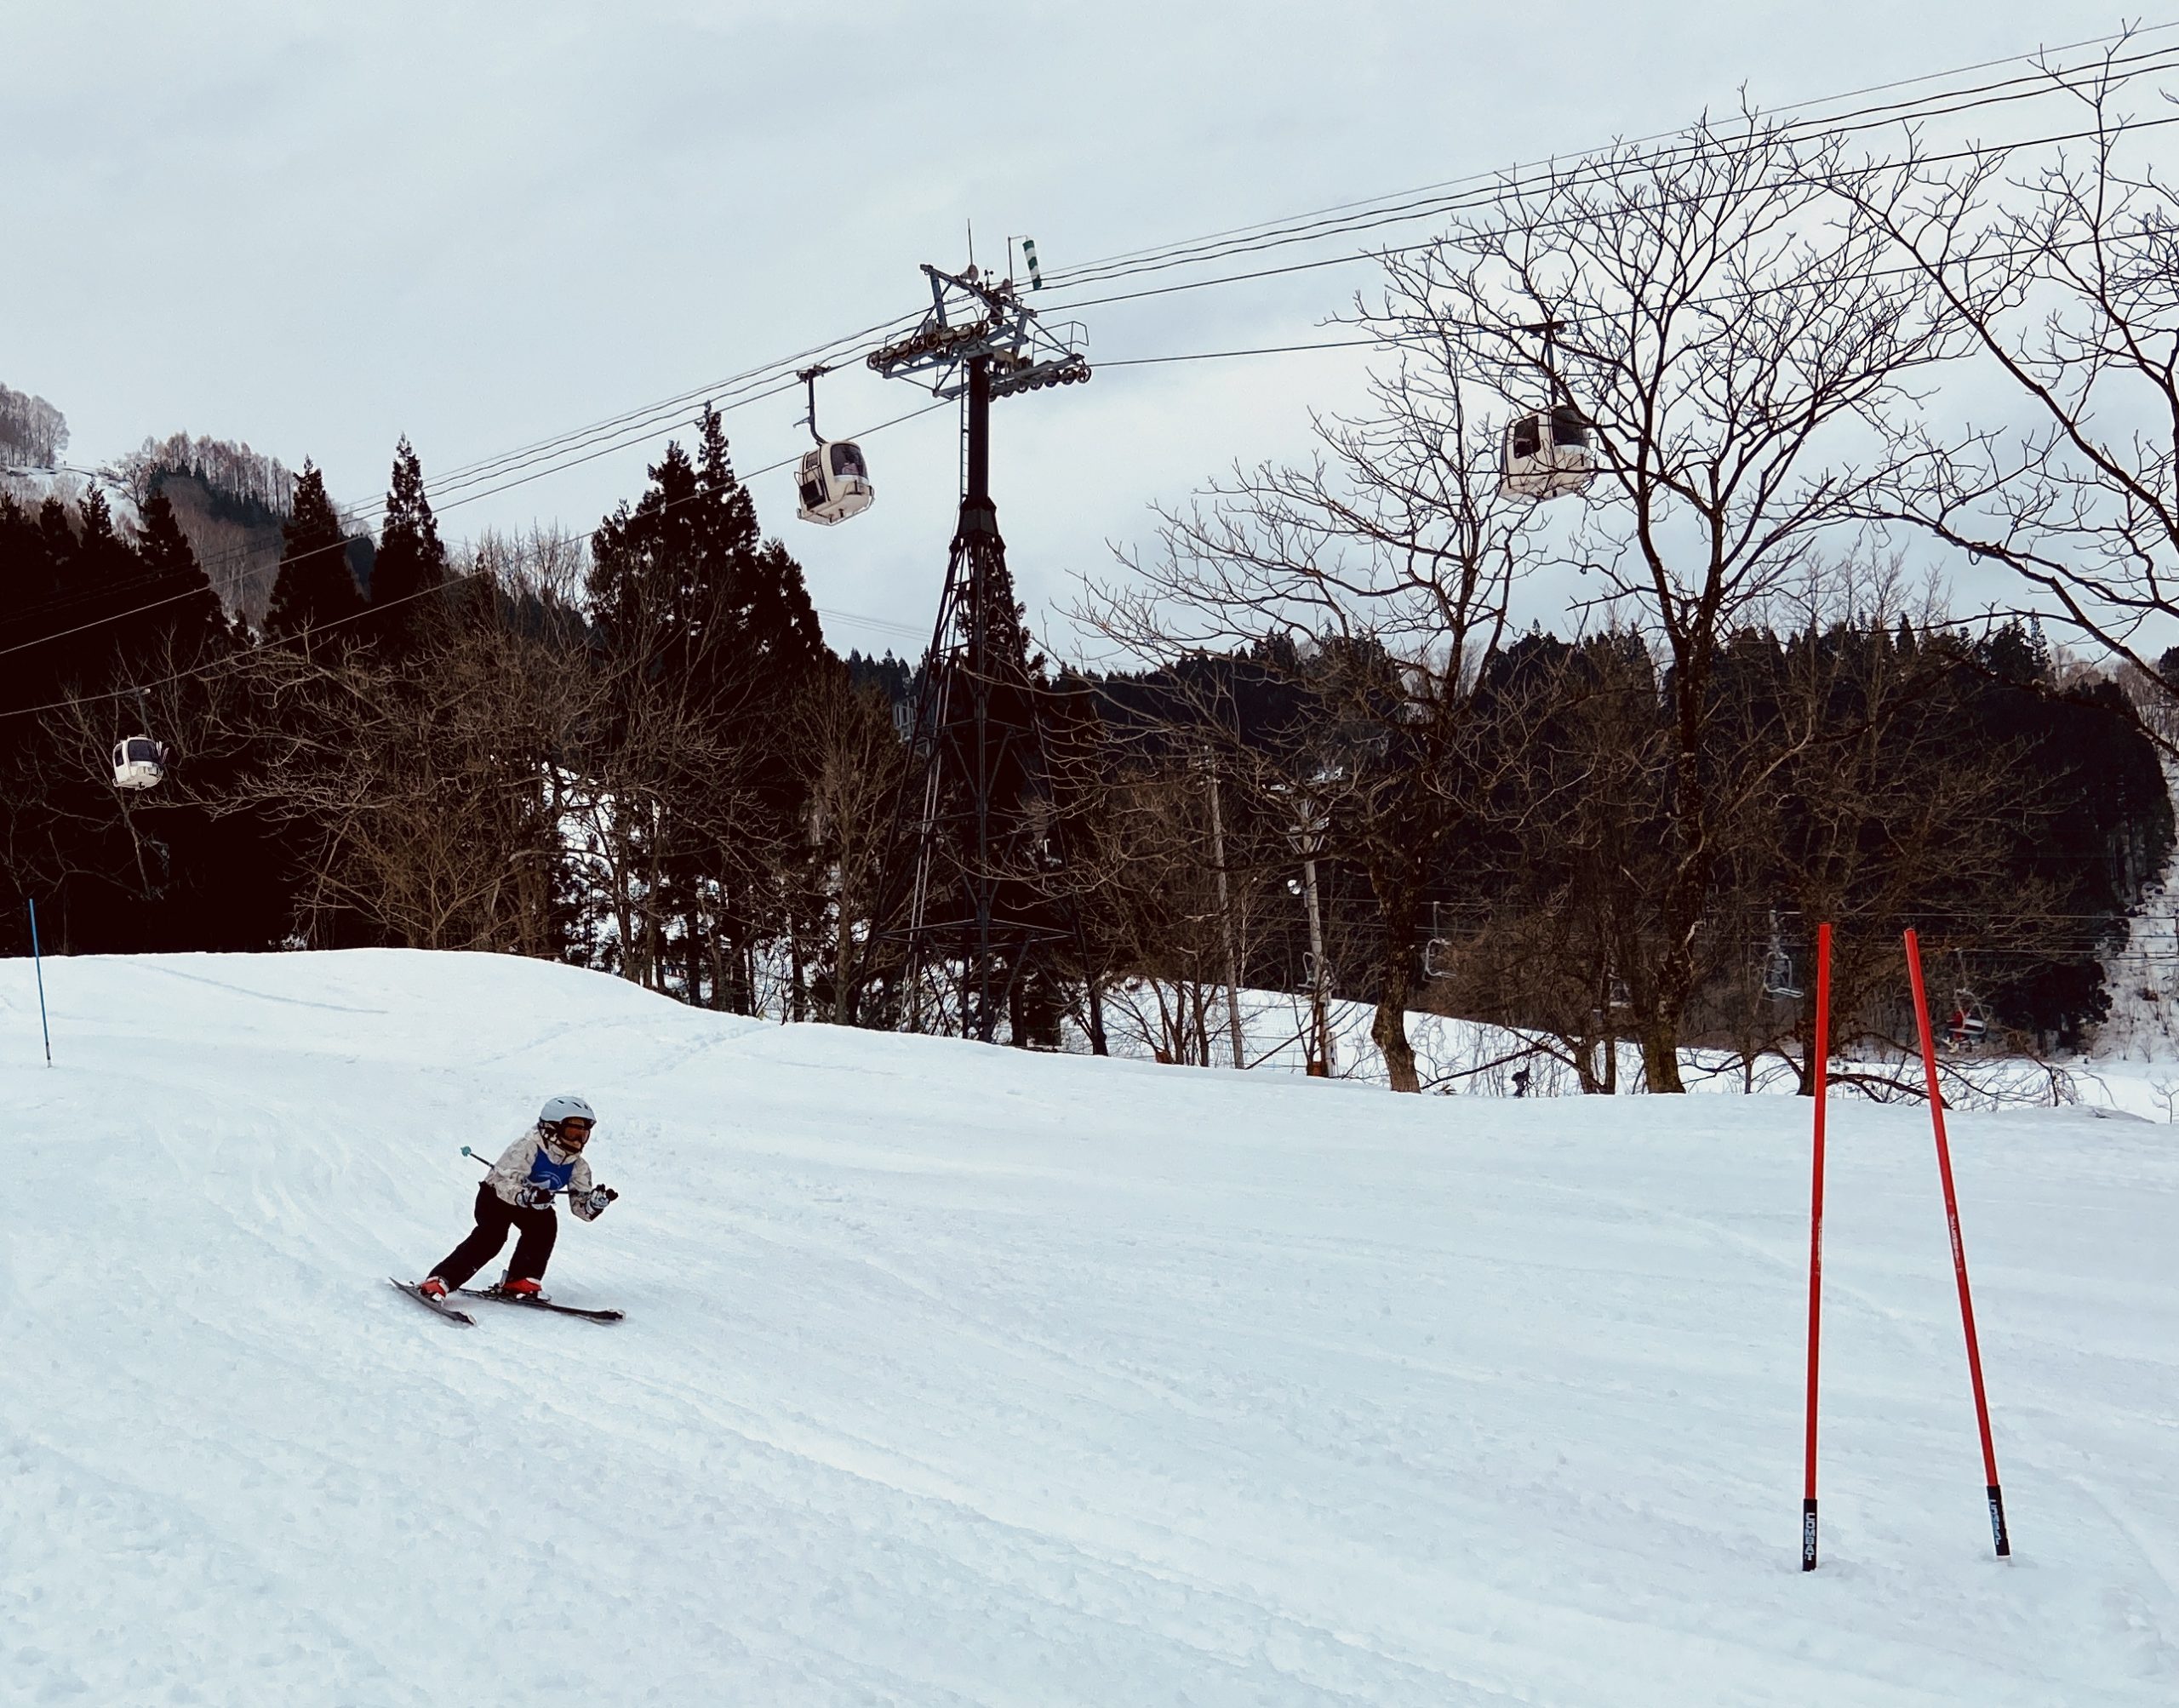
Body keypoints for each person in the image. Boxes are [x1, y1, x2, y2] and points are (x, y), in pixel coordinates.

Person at [418, 1095, 617, 1301]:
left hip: (532, 1205)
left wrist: (593, 1205)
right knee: (491, 1237)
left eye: (584, 1135)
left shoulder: (578, 1166)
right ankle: (440, 1280)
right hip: (496, 1198)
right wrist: (526, 1196)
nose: (578, 1141)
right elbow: (504, 1182)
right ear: (552, 1128)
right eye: (573, 1132)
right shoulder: (527, 1147)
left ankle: (521, 1279)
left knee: (546, 1226)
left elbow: (581, 1209)